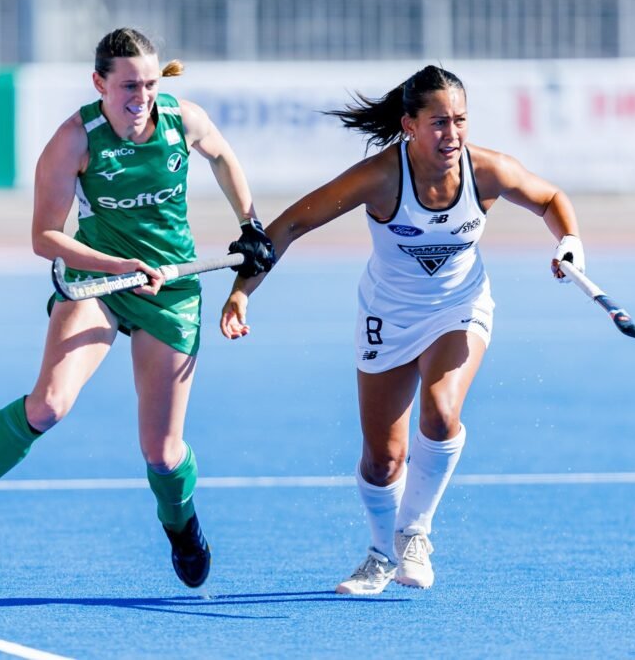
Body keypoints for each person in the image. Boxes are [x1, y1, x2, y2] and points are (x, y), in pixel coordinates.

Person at [0, 27, 274, 589]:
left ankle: (180, 523)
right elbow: (45, 236)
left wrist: (249, 221)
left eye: (147, 83)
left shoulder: (182, 120)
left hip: (170, 292)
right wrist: (118, 267)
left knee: (163, 453)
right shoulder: (74, 140)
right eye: (126, 85)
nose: (139, 97)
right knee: (48, 404)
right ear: (99, 83)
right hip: (96, 284)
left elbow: (221, 156)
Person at [219, 65, 584, 595]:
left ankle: (415, 533)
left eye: (460, 120)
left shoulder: (488, 171)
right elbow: (293, 224)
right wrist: (241, 290)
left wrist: (569, 241)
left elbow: (550, 200)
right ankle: (379, 552)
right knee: (382, 458)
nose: (452, 134)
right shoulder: (381, 178)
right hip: (388, 316)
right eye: (439, 122)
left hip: (460, 306)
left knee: (441, 414)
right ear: (409, 124)